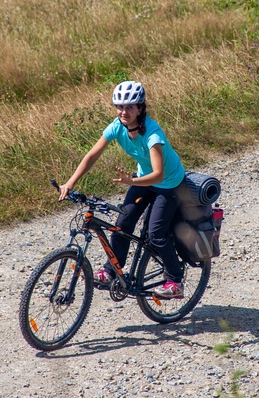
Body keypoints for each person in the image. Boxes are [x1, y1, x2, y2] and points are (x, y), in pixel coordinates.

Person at [59, 81, 186, 299]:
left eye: (129, 107)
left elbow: (158, 174)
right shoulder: (117, 126)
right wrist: (70, 182)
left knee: (156, 235)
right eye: (119, 106)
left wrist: (132, 182)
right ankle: (111, 271)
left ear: (140, 108)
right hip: (141, 180)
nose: (123, 111)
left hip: (169, 184)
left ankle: (175, 280)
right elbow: (91, 155)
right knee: (122, 224)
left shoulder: (153, 134)